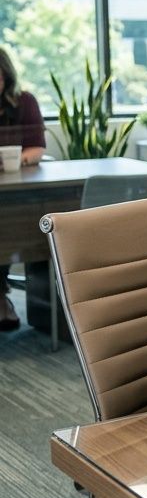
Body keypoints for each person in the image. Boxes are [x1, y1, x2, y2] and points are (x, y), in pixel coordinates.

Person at [1, 46, 45, 331]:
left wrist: (13, 161)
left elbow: (37, 148)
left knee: (9, 226)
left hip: (19, 188)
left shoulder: (24, 101)